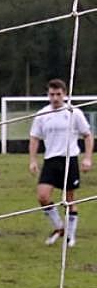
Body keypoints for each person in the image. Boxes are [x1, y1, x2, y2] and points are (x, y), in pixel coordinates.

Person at [29, 78, 94, 248]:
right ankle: (59, 227)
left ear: (64, 94)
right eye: (52, 94)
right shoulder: (42, 114)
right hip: (50, 160)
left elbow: (87, 135)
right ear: (48, 95)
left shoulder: (74, 113)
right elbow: (34, 138)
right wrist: (33, 160)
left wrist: (88, 158)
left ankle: (70, 236)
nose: (55, 98)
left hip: (69, 159)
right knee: (42, 196)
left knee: (69, 199)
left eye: (58, 94)